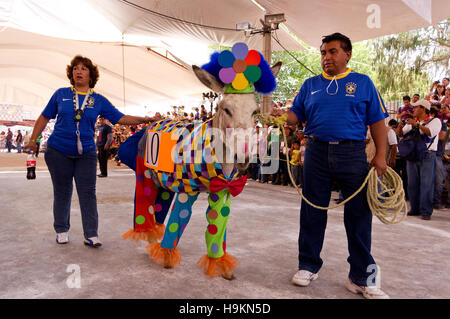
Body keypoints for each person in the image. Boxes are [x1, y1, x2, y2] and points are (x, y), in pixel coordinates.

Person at [287, 32, 389, 299]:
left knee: (359, 215)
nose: (326, 57)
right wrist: (279, 115)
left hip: (353, 153)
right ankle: (307, 265)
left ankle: (360, 278)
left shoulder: (363, 83)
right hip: (316, 152)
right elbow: (296, 115)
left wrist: (380, 155)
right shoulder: (310, 85)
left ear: (347, 54)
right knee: (312, 210)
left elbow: (378, 122)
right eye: (323, 52)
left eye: (332, 52)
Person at [23, 55, 157, 248]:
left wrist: (145, 119)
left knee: (88, 193)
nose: (79, 71)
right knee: (62, 191)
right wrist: (34, 140)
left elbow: (120, 118)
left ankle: (91, 234)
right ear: (71, 73)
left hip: (86, 152)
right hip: (58, 150)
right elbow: (44, 117)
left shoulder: (98, 100)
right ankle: (61, 229)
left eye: (83, 69)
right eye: (76, 68)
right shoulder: (61, 94)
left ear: (91, 75)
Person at [397, 99, 441, 220]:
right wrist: (400, 127)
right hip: (413, 155)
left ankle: (426, 211)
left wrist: (416, 125)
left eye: (416, 107)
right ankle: (414, 208)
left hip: (427, 155)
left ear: (423, 109)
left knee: (426, 184)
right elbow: (400, 134)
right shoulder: (412, 121)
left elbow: (430, 133)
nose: (413, 109)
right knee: (412, 183)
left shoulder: (435, 121)